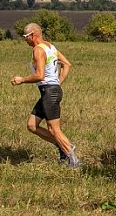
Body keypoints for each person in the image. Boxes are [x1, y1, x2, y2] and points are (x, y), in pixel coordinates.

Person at [11, 22, 81, 168]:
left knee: (53, 129)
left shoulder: (38, 50)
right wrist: (57, 83)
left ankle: (73, 159)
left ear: (33, 35)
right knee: (32, 125)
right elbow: (67, 64)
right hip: (50, 91)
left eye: (25, 37)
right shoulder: (50, 47)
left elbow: (39, 75)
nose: (25, 40)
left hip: (49, 92)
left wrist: (22, 80)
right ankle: (63, 145)